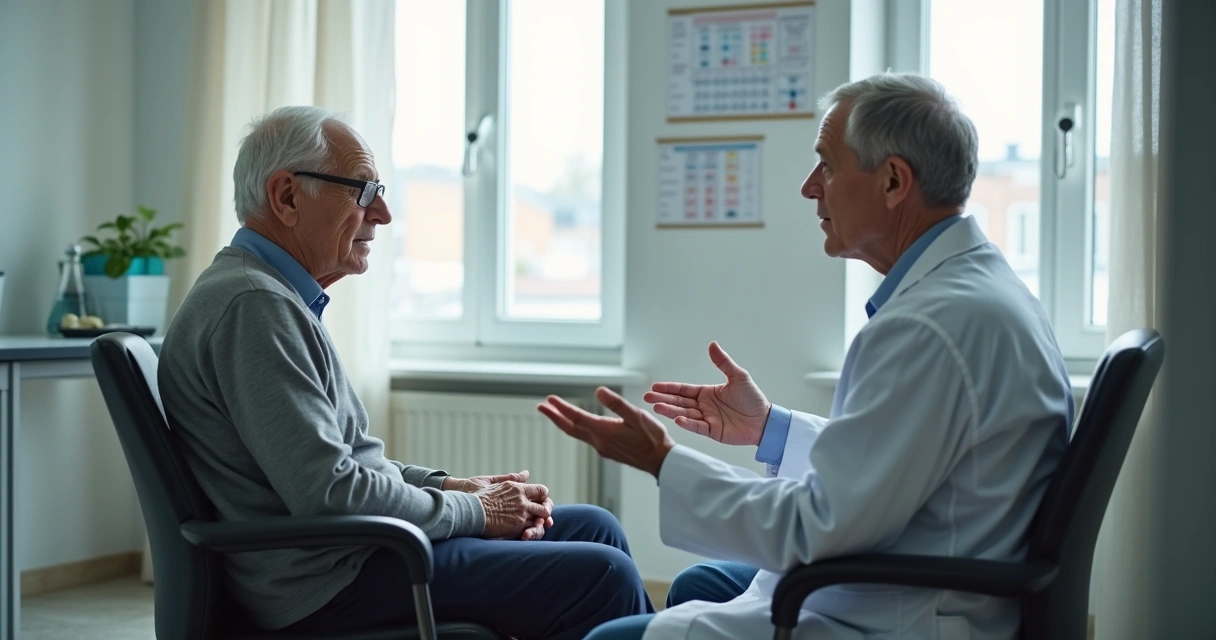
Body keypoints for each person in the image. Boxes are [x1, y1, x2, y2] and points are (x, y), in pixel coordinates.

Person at [538, 72, 1074, 640]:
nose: (809, 187)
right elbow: (899, 460)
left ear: (893, 181)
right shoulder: (976, 290)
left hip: (901, 612)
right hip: (914, 573)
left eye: (827, 165)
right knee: (702, 584)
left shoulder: (928, 328)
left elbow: (817, 527)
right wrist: (771, 429)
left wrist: (663, 460)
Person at [158, 105, 652, 639]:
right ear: (287, 197)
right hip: (329, 583)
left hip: (356, 553)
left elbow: (340, 465)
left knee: (596, 528)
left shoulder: (265, 297)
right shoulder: (253, 307)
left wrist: (451, 486)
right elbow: (332, 492)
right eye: (364, 191)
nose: (384, 213)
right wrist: (476, 511)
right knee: (602, 574)